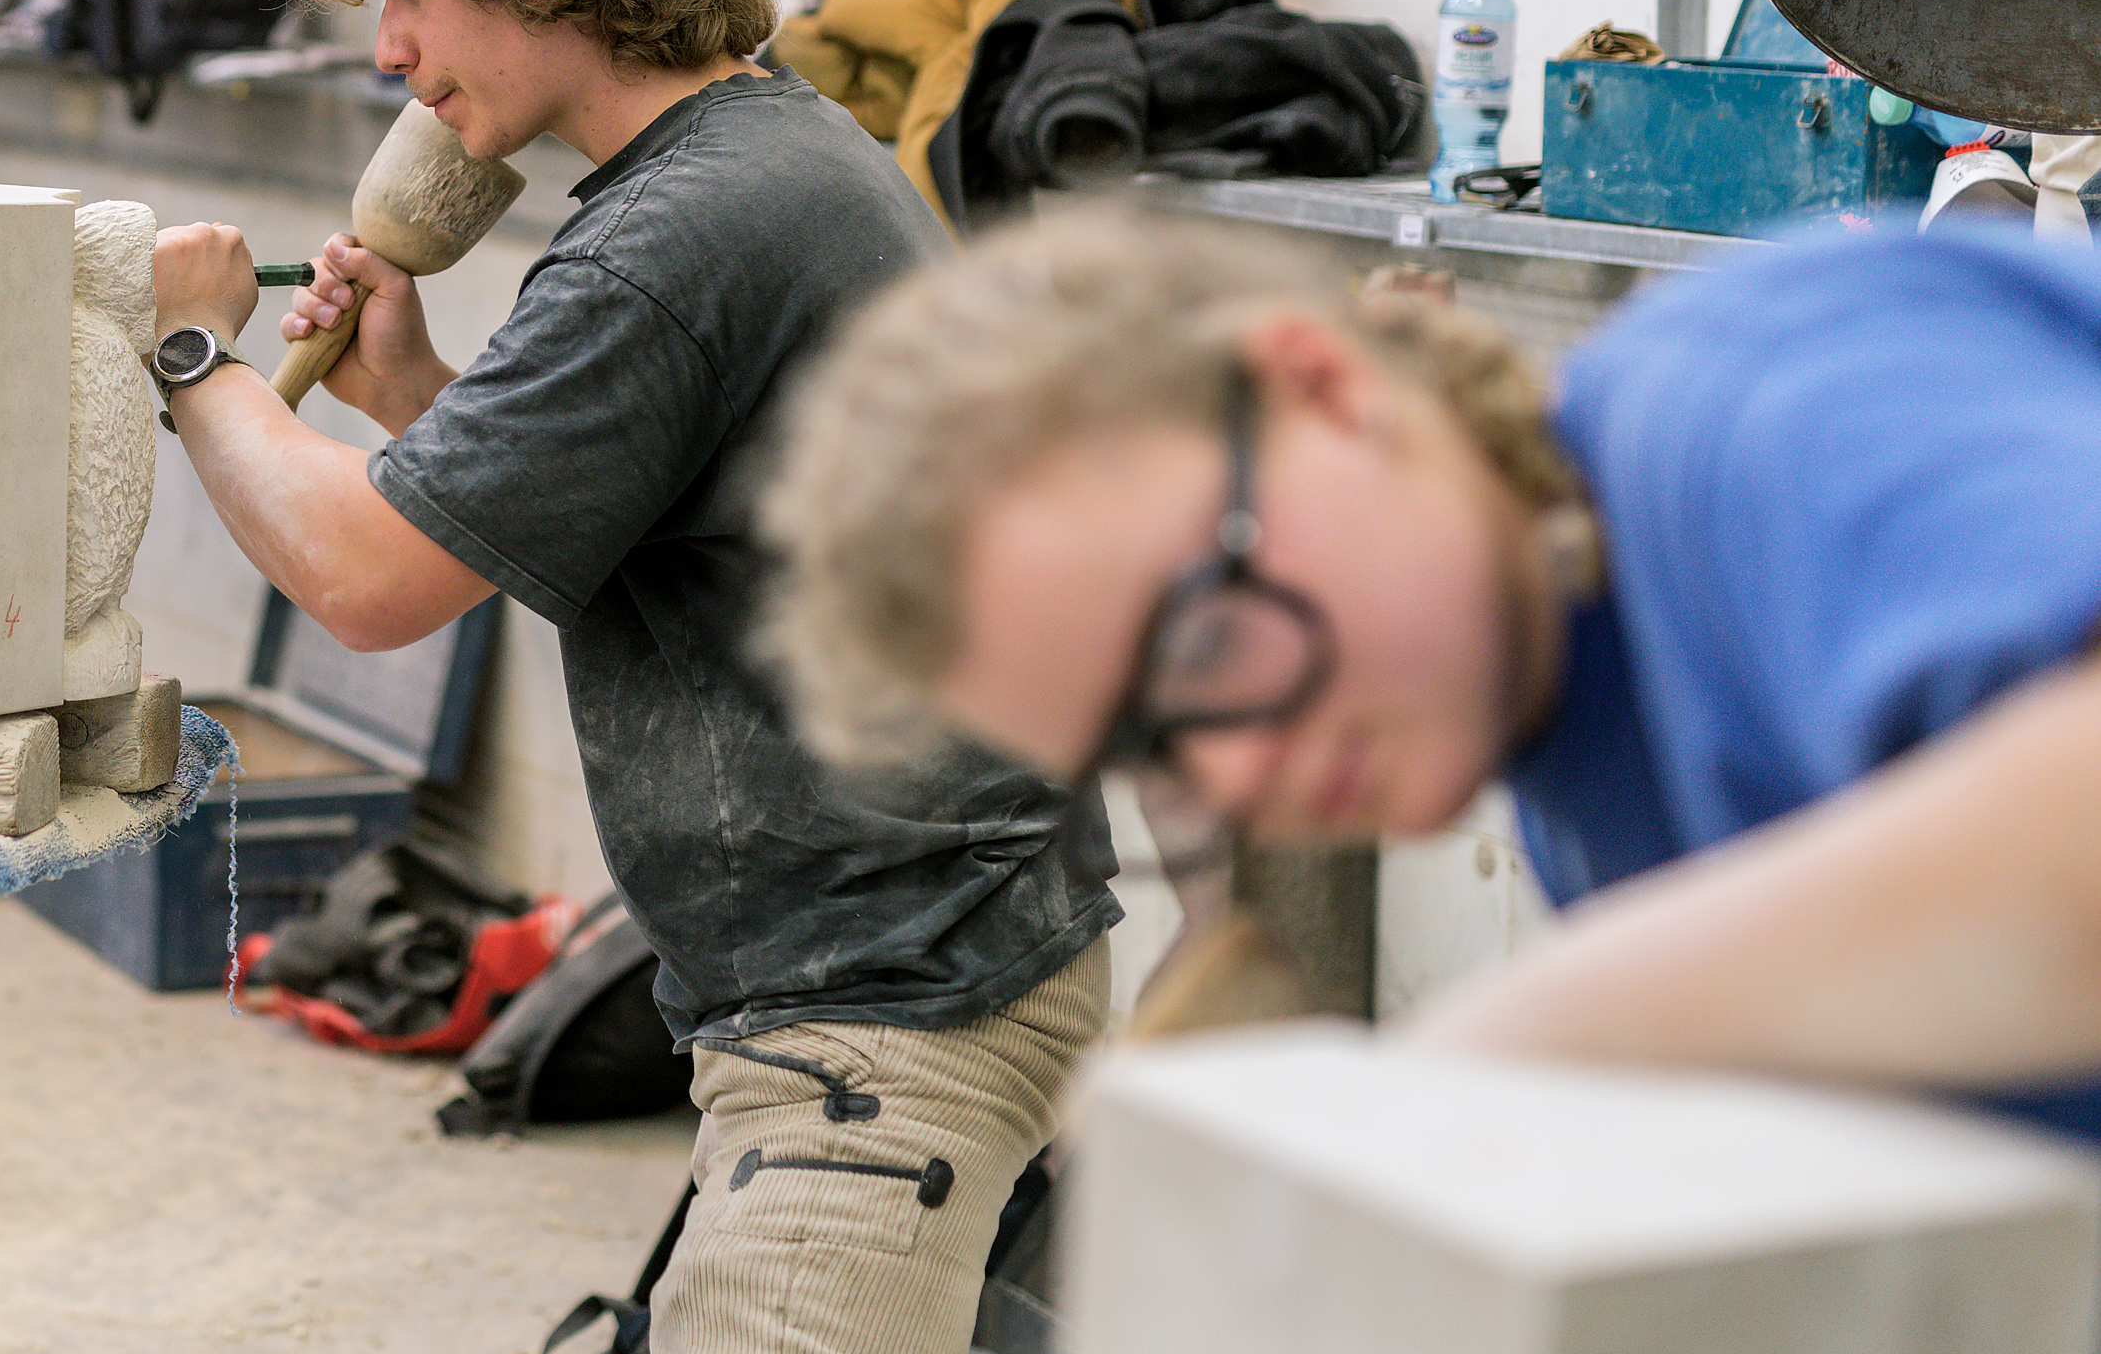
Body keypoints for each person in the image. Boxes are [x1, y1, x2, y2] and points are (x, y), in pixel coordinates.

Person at [148, 0, 1117, 1354]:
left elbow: (365, 586)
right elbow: (616, 529)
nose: (388, 50)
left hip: (883, 1002)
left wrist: (197, 361)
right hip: (895, 956)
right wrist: (410, 393)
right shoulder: (753, 168)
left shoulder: (673, 240)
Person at [756, 202, 2101, 1138]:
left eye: (1200, 635)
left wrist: (1548, 1028)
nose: (1233, 769)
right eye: (1150, 747)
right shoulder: (1570, 756)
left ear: (1321, 389)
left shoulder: (1763, 410)